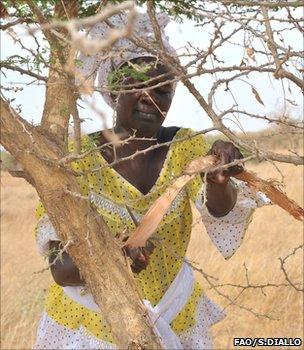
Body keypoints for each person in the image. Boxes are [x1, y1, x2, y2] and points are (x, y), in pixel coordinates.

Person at [33, 12, 269, 350]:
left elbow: (220, 210)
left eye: (163, 90)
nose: (150, 98)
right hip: (93, 327)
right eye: (137, 85)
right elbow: (61, 269)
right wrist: (116, 258)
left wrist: (217, 181)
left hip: (174, 313)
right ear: (114, 87)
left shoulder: (187, 145)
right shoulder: (77, 160)